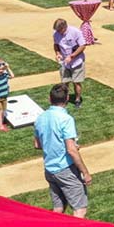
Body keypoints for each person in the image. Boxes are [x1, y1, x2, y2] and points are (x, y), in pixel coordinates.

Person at [33, 84, 92, 218]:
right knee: (80, 210)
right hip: (65, 170)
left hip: (49, 170)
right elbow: (71, 150)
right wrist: (85, 172)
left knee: (58, 208)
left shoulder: (40, 118)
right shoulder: (66, 119)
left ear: (50, 99)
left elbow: (37, 144)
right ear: (66, 99)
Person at [52, 18, 86, 108]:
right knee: (64, 82)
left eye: (59, 30)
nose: (58, 32)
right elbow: (56, 45)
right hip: (65, 62)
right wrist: (58, 53)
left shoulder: (76, 32)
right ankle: (64, 100)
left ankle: (77, 100)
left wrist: (72, 56)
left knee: (76, 82)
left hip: (76, 62)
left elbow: (82, 46)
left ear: (64, 27)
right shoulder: (56, 34)